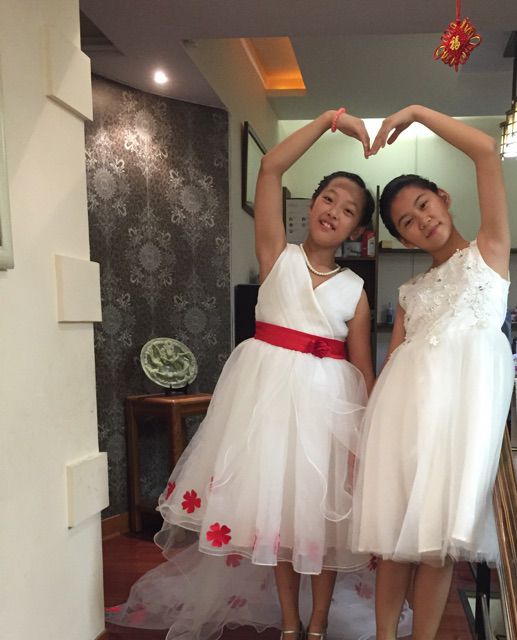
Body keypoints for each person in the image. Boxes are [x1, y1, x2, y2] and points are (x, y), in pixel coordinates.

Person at [107, 109, 378, 640]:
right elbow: (270, 168)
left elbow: (363, 369)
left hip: (327, 417)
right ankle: (291, 624)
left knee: (320, 525)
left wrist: (365, 440)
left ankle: (318, 625)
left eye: (348, 211)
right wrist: (328, 122)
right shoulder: (277, 254)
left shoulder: (356, 291)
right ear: (311, 205)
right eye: (328, 199)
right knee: (278, 523)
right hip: (268, 406)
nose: (334, 212)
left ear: (357, 229)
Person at [351, 105, 515, 640]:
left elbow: (485, 151)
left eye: (423, 205)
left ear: (443, 197)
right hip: (403, 420)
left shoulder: (489, 252)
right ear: (404, 240)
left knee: (437, 544)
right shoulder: (410, 292)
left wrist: (419, 114)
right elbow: (393, 363)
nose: (421, 221)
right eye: (407, 222)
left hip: (459, 422)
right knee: (395, 543)